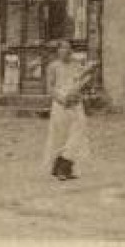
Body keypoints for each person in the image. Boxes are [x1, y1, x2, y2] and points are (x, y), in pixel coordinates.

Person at [43, 40, 97, 180]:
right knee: (61, 135)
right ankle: (61, 168)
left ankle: (64, 163)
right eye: (63, 48)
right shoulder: (53, 66)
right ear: (58, 50)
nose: (66, 51)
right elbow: (49, 88)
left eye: (69, 48)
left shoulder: (77, 65)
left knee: (79, 133)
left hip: (75, 103)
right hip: (60, 104)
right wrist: (61, 99)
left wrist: (90, 75)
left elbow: (83, 83)